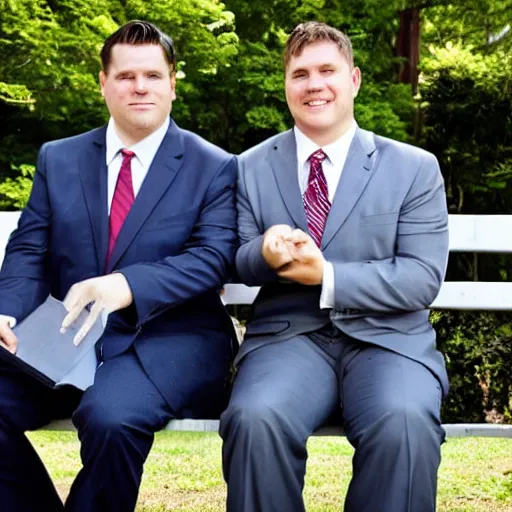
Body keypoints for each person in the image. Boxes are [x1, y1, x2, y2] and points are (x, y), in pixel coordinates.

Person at [0, 20, 238, 512]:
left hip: (170, 337)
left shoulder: (215, 165)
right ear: (103, 83)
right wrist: (5, 309)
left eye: (153, 75)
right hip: (66, 335)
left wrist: (127, 285)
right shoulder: (59, 159)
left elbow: (214, 258)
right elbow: (29, 249)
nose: (140, 87)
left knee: (110, 417)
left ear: (173, 83)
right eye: (126, 76)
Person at [220, 21, 449, 512]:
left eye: (328, 70)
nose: (314, 84)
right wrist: (265, 251)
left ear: (355, 79)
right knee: (255, 418)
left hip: (388, 340)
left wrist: (327, 276)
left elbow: (420, 278)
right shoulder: (249, 167)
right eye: (300, 73)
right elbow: (235, 257)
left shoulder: (414, 167)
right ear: (286, 85)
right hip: (289, 338)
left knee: (404, 422)